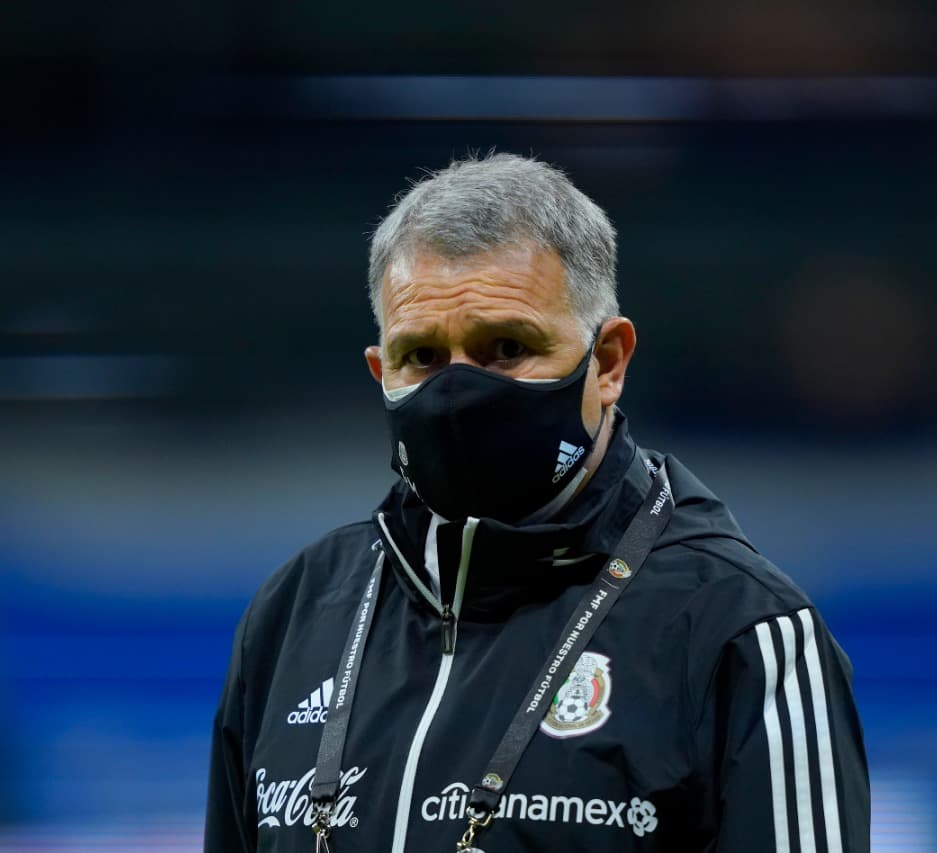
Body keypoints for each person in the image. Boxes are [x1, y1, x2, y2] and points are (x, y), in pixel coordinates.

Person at [205, 153, 869, 853]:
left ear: (608, 361)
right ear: (381, 370)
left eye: (507, 347)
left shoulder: (740, 632)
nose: (458, 393)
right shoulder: (294, 616)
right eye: (422, 357)